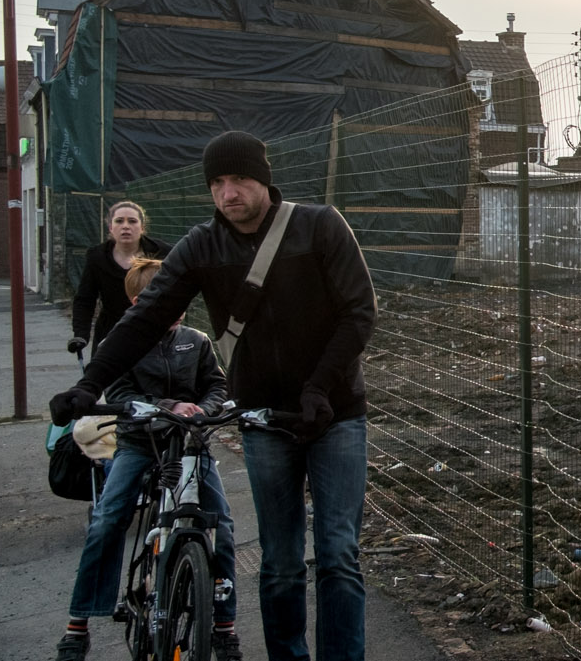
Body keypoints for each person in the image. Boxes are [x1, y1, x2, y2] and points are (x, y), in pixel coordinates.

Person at [51, 130, 377, 661]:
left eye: (240, 179)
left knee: (338, 554)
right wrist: (90, 383)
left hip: (334, 413)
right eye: (218, 183)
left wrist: (320, 385)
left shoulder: (319, 226)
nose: (229, 192)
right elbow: (144, 319)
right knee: (279, 562)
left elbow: (359, 313)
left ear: (264, 180)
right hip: (262, 418)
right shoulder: (201, 246)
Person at [52, 257, 241, 661]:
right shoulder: (120, 343)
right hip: (140, 442)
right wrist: (168, 404)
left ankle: (224, 625)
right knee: (107, 518)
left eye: (181, 302)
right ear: (140, 301)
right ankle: (78, 624)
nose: (176, 311)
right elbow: (118, 394)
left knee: (222, 522)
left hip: (191, 444)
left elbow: (216, 384)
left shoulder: (197, 340)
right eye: (166, 301)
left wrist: (202, 411)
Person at [68, 201, 169, 356]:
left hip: (152, 331)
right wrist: (81, 334)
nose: (126, 226)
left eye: (132, 221)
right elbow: (85, 299)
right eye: (119, 221)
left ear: (142, 227)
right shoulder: (97, 257)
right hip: (110, 332)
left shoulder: (162, 253)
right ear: (110, 227)